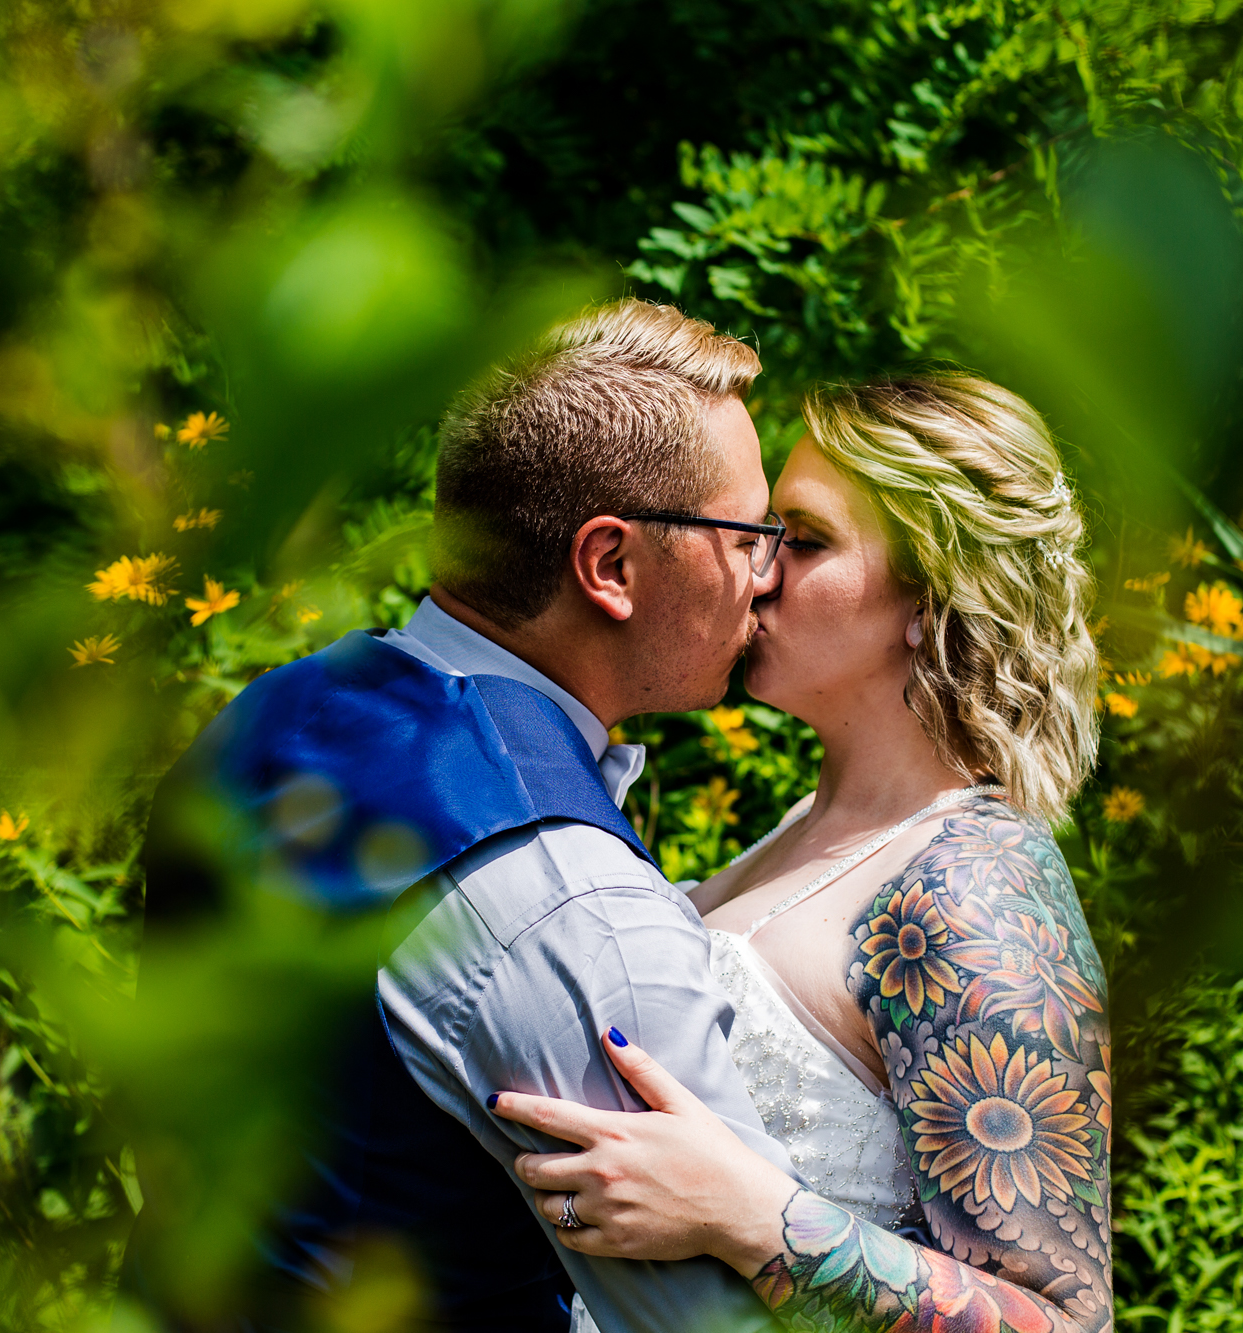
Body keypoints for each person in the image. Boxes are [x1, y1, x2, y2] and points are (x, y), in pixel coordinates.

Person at [140, 298, 804, 1332]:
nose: (765, 577)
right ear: (611, 566)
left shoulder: (264, 717)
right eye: (744, 534)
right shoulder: (569, 908)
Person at [489, 374, 1115, 1332]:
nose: (759, 572)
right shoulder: (805, 826)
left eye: (806, 540)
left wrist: (749, 1218)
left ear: (934, 594)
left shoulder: (973, 891)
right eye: (766, 536)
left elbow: (1067, 1321)